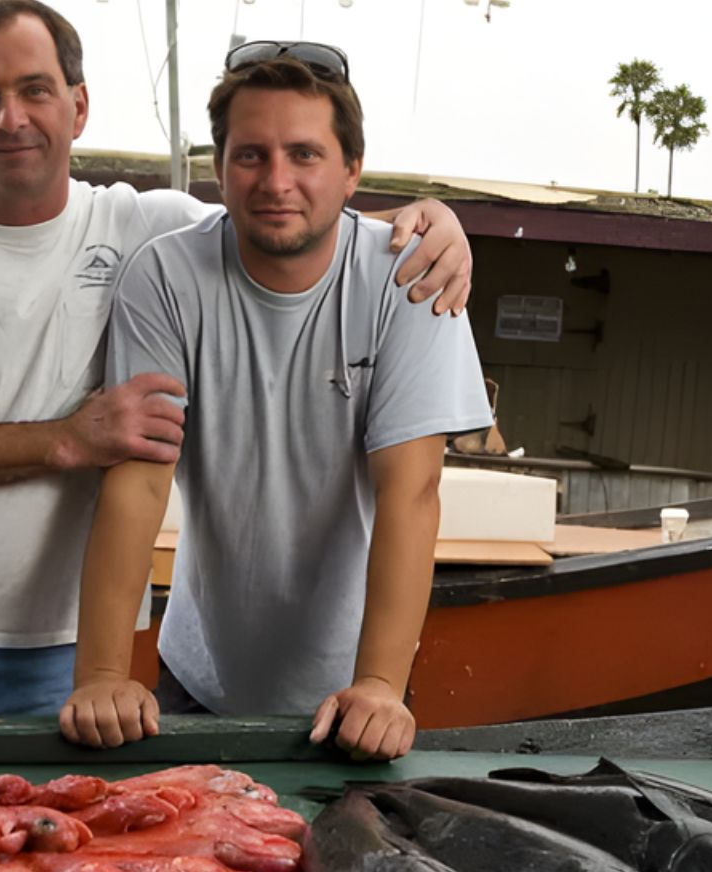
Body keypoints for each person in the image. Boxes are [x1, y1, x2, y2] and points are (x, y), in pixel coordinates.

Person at [0, 1, 476, 719]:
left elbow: (287, 220)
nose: (10, 118)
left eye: (34, 89)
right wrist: (68, 439)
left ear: (79, 105)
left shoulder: (142, 226)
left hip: (53, 649)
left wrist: (429, 224)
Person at [59, 43, 494, 761]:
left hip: (354, 689)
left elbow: (410, 493)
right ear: (220, 169)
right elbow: (138, 478)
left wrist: (382, 682)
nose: (277, 180)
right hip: (197, 675)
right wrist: (104, 674)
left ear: (352, 170)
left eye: (304, 155)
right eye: (251, 155)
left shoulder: (409, 280)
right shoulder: (165, 276)